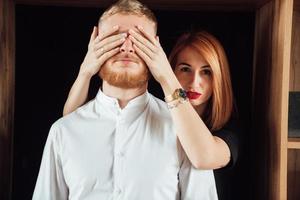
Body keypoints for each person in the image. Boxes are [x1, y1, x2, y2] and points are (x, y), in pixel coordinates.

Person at [32, 0, 219, 199]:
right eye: (115, 37)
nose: (127, 47)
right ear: (96, 43)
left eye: (139, 39)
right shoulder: (63, 132)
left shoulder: (186, 134)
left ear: (156, 47)